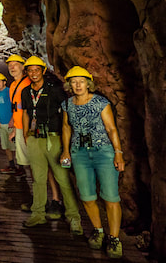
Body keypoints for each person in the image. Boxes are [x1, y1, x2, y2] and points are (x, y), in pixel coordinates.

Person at [60, 66, 126, 258]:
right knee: (87, 196)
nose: (78, 85)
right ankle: (98, 230)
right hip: (79, 153)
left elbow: (111, 128)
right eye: (73, 82)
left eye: (81, 81)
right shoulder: (67, 104)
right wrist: (66, 150)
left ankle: (114, 238)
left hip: (103, 152)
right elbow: (66, 127)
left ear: (88, 83)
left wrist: (118, 153)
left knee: (111, 197)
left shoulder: (100, 102)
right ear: (69, 84)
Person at [20, 56, 82, 235]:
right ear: (27, 72)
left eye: (36, 70)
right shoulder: (26, 92)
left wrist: (65, 143)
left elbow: (65, 114)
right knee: (38, 180)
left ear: (43, 71)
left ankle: (73, 217)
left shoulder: (55, 90)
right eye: (30, 70)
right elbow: (25, 113)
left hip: (53, 139)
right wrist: (25, 134)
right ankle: (38, 213)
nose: (33, 73)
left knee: (62, 178)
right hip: (34, 139)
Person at [6, 54, 64, 217]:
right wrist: (15, 129)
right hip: (21, 130)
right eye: (9, 64)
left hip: (37, 131)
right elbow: (19, 109)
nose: (12, 67)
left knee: (47, 166)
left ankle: (55, 199)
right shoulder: (13, 86)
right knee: (31, 166)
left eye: (15, 64)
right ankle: (40, 199)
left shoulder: (29, 83)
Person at [0, 72, 17, 173]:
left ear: (4, 82)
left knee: (16, 146)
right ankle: (12, 165)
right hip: (2, 124)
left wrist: (13, 120)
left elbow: (15, 106)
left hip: (11, 124)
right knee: (6, 146)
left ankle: (21, 167)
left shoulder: (9, 91)